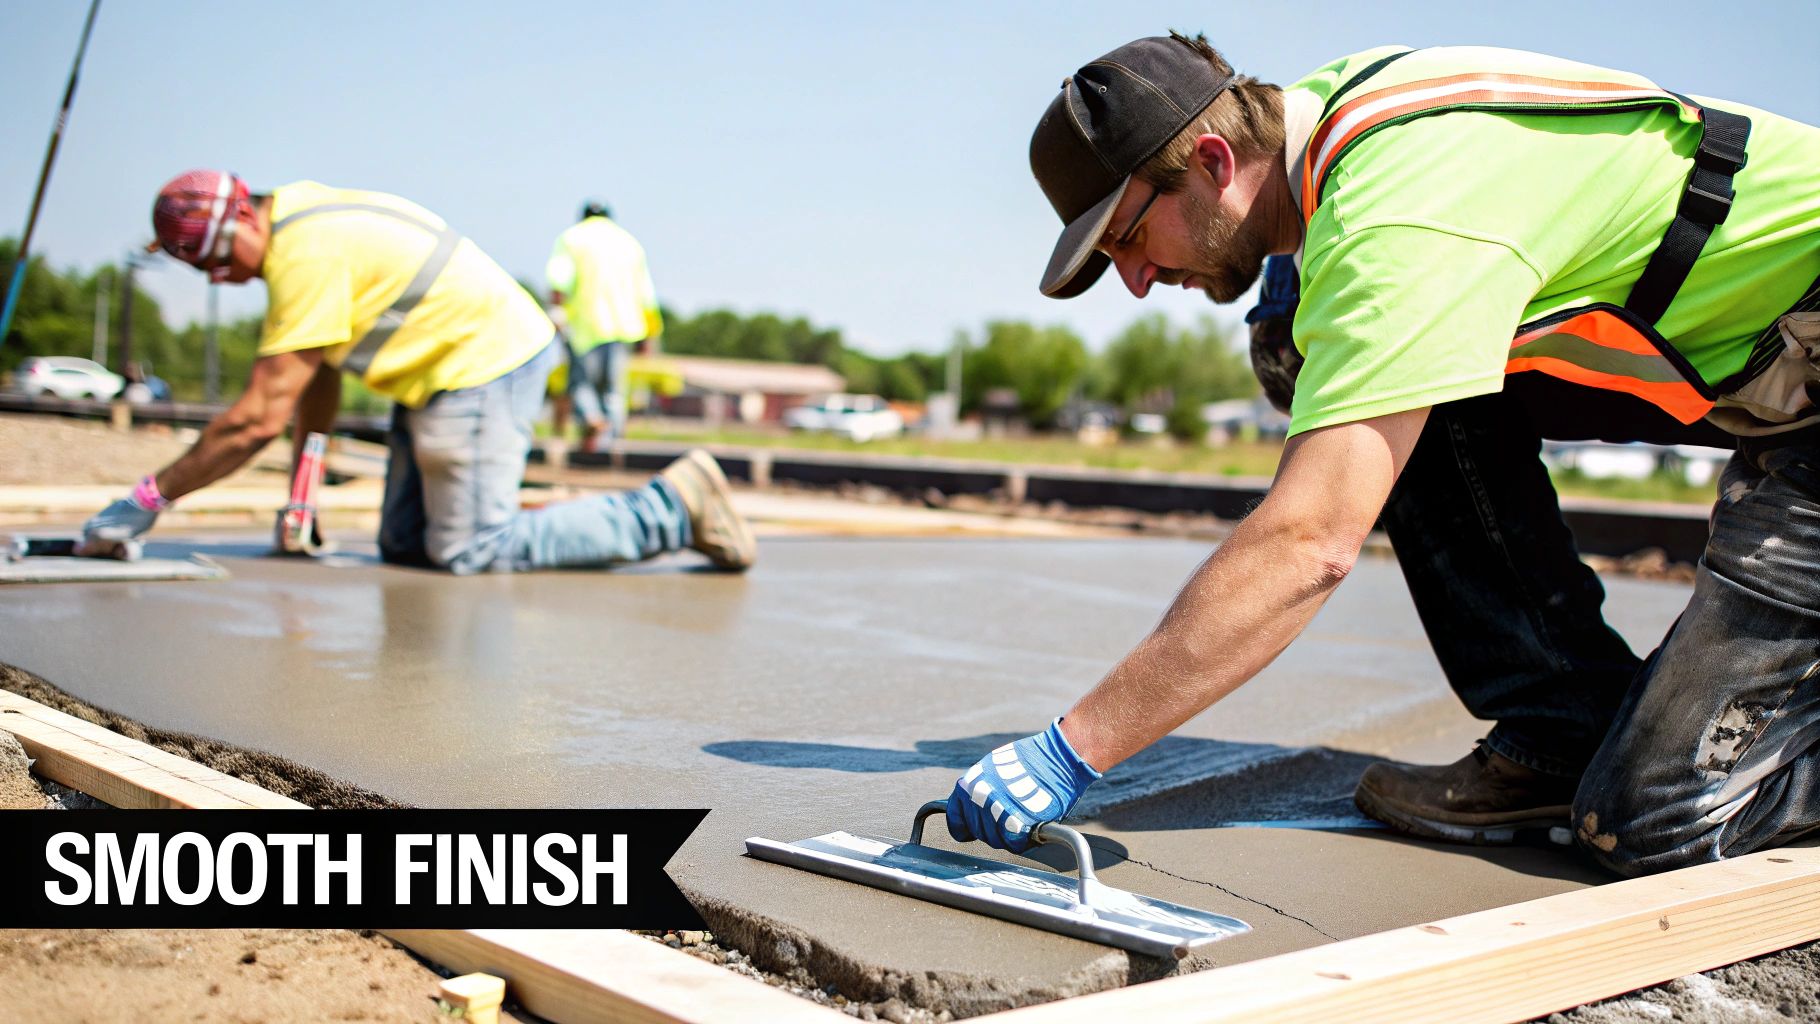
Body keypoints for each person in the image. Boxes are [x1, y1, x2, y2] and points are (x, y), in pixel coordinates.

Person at [946, 34, 1820, 877]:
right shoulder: (1335, 126)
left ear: (1214, 161)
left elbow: (1309, 545)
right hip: (1768, 365)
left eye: (1128, 238)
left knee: (1651, 815)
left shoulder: (1398, 213)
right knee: (1301, 332)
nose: (1134, 280)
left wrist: (1075, 749)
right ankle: (1564, 726)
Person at [79, 171, 755, 575]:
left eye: (218, 264)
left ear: (243, 218)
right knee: (405, 545)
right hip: (439, 377)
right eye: (205, 274)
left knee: (472, 549)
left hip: (484, 366)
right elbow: (317, 379)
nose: (223, 281)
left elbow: (258, 417)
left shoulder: (304, 256)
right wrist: (302, 497)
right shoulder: (301, 220)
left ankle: (672, 506)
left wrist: (144, 501)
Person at [547, 201, 663, 452]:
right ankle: (610, 444)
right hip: (624, 326)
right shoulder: (629, 244)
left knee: (581, 384)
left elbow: (559, 281)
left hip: (585, 326)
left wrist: (556, 313)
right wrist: (650, 334)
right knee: (613, 389)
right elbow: (646, 294)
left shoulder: (572, 238)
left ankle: (590, 419)